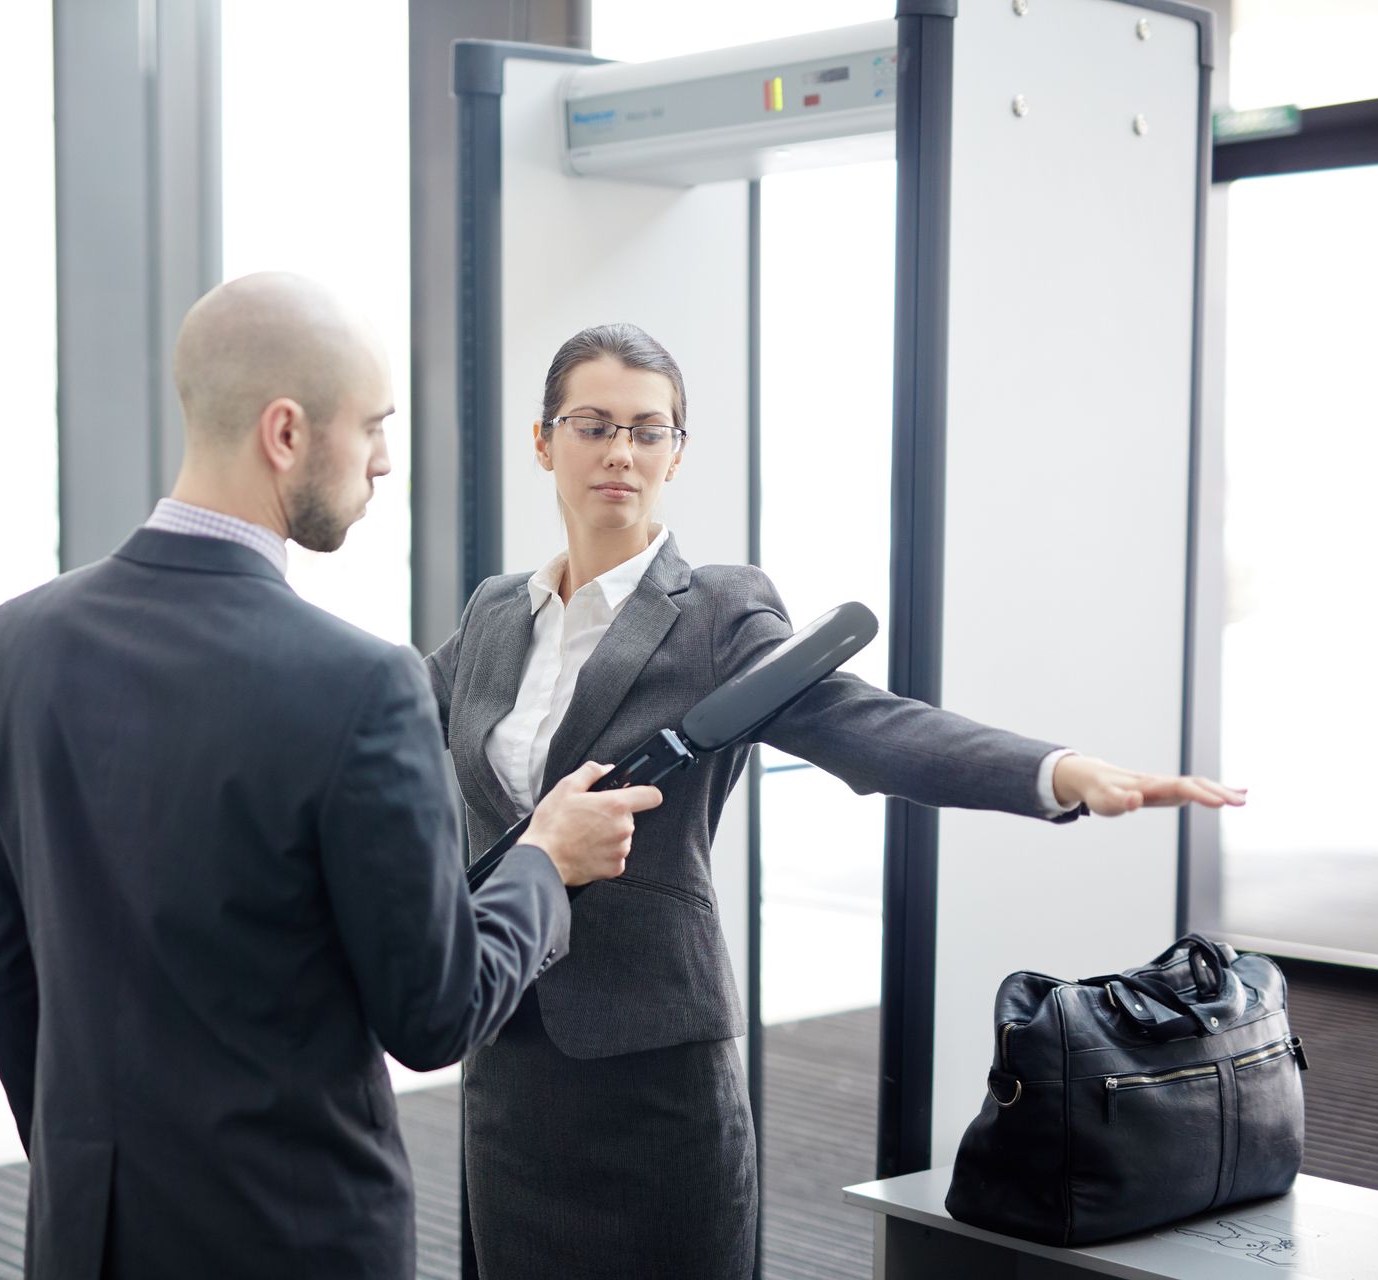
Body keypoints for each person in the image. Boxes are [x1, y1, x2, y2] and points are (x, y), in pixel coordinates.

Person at [425, 322, 1248, 1280]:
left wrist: (1055, 772)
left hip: (649, 1062)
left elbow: (865, 725)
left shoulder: (716, 612)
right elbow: (389, 726)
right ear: (543, 441)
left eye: (650, 430)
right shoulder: (495, 615)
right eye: (593, 424)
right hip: (508, 1048)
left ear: (677, 454)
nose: (621, 452)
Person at [0, 275, 663, 1279]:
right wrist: (546, 861)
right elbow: (435, 1011)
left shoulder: (19, 641)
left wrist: (88, 1166)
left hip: (87, 1228)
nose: (384, 460)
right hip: (291, 1238)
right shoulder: (358, 682)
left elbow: (5, 962)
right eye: (372, 426)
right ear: (285, 433)